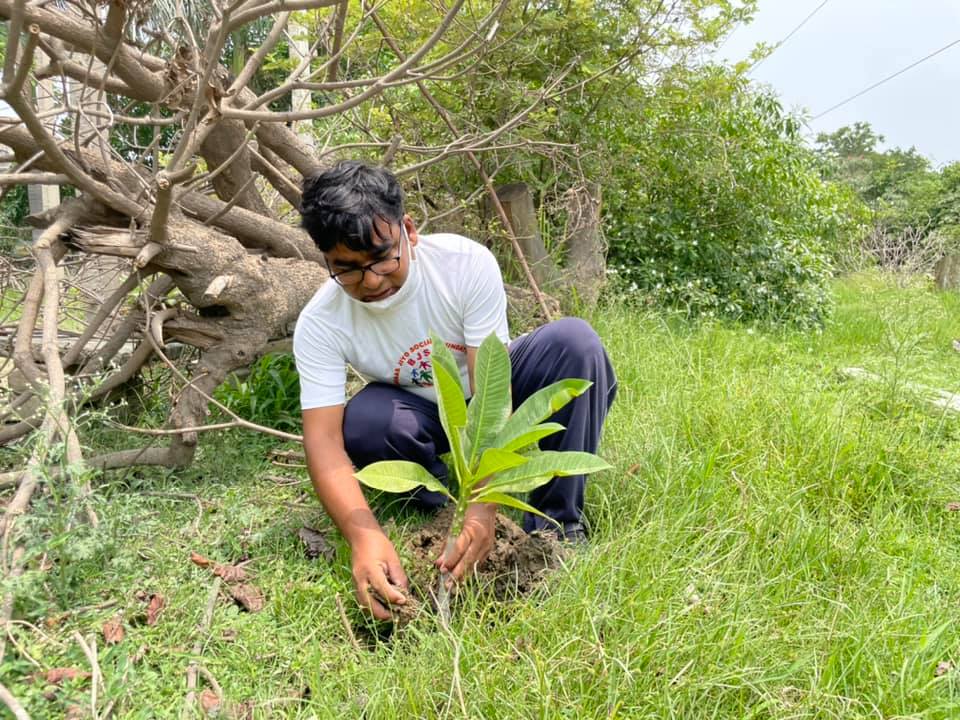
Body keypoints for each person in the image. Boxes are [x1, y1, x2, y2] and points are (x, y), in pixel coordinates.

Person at [294, 160, 617, 620]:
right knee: (365, 420)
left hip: (490, 385)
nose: (370, 281)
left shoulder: (464, 265)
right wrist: (362, 535)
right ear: (325, 259)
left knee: (575, 343)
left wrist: (484, 503)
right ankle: (441, 508)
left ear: (409, 230)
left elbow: (491, 390)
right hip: (423, 411)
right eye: (346, 269)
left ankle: (555, 531)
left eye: (383, 257)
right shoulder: (320, 322)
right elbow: (323, 440)